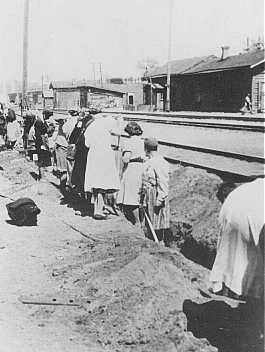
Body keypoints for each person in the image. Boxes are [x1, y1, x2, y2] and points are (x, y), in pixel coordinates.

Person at [209, 178, 264, 301]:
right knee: (252, 260)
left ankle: (227, 289)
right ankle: (250, 295)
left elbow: (222, 244)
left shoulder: (242, 191)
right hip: (255, 218)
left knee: (231, 257)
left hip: (232, 215)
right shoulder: (255, 190)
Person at [83, 115, 120, 219]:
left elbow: (87, 144)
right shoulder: (106, 125)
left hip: (93, 155)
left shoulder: (91, 128)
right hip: (104, 155)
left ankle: (98, 208)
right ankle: (99, 209)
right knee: (102, 183)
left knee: (95, 183)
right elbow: (117, 132)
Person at [140, 137, 170, 242]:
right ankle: (152, 242)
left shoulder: (159, 162)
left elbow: (163, 182)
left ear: (146, 149)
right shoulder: (150, 161)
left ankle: (159, 243)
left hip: (156, 195)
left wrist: (160, 198)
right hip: (149, 194)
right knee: (150, 223)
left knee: (158, 223)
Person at [116, 122, 145, 226]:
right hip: (142, 168)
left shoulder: (128, 142)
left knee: (131, 195)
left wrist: (121, 156)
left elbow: (126, 159)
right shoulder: (142, 142)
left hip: (132, 169)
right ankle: (142, 220)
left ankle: (137, 222)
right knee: (140, 194)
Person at [34, 111, 52, 179]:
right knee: (41, 159)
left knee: (42, 159)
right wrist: (42, 144)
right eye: (47, 116)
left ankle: (42, 175)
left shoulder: (41, 121)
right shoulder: (39, 122)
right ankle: (41, 176)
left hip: (41, 142)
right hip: (41, 143)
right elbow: (38, 134)